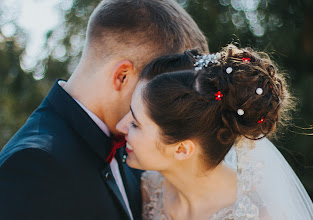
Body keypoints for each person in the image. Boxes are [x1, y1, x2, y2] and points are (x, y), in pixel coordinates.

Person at [0, 0, 209, 219]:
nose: (163, 109)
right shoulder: (32, 165)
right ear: (122, 76)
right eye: (158, 94)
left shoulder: (138, 149)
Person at [116, 45, 313, 220]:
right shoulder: (150, 188)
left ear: (181, 149)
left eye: (136, 124)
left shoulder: (263, 216)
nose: (120, 126)